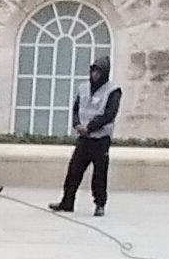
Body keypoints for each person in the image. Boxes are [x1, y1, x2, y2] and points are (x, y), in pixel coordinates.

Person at [50, 56, 121, 217]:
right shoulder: (83, 87)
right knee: (73, 171)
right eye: (94, 71)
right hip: (84, 138)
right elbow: (76, 108)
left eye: (99, 72)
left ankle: (99, 204)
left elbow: (109, 114)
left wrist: (89, 128)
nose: (95, 75)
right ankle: (67, 202)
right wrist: (77, 125)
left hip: (100, 139)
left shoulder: (113, 91)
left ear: (105, 73)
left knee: (99, 175)